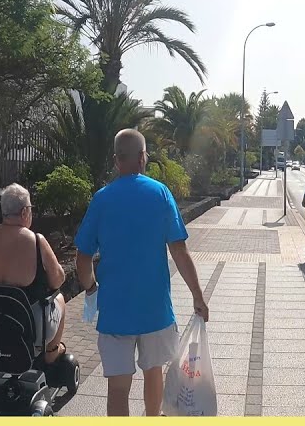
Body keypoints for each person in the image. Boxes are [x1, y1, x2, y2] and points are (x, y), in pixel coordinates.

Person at [75, 129, 209, 417]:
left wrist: (90, 288)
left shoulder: (102, 199)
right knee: (154, 374)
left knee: (118, 388)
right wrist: (198, 296)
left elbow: (82, 257)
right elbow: (179, 251)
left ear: (116, 160)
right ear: (142, 157)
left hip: (115, 312)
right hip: (155, 310)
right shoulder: (160, 193)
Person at [0, 183, 68, 364]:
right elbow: (58, 280)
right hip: (30, 328)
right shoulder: (35, 240)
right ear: (25, 211)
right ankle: (51, 352)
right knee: (60, 299)